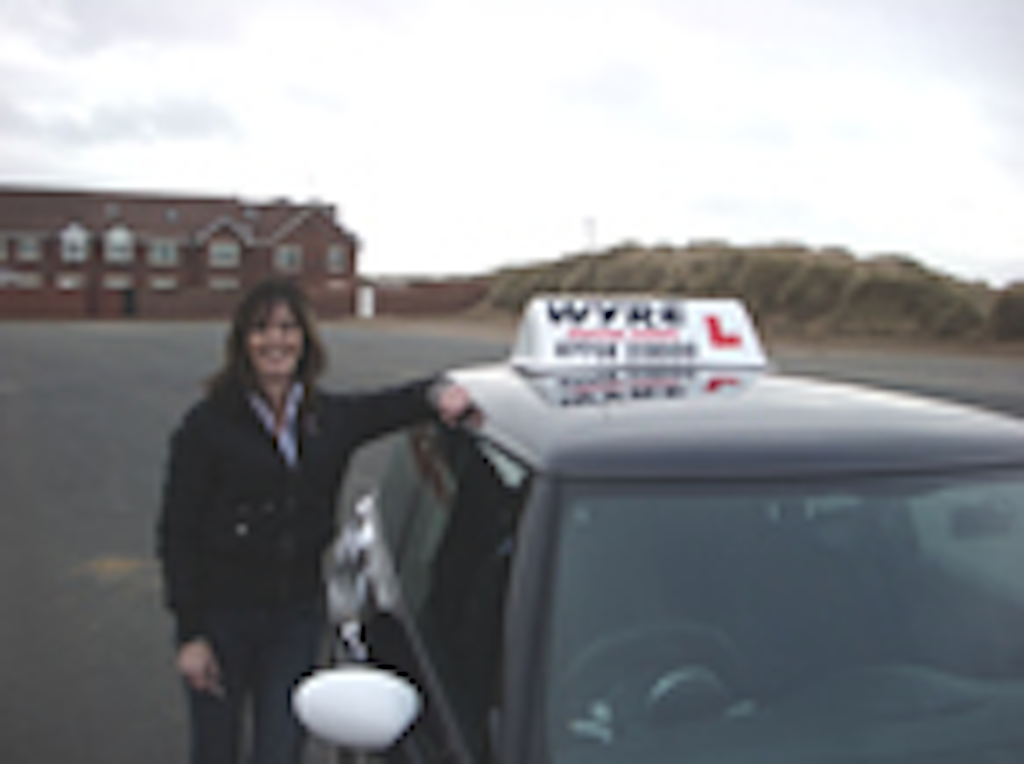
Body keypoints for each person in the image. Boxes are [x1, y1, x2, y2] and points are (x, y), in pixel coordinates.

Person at [156, 278, 474, 764]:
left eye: (288, 328)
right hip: (223, 619)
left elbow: (389, 406)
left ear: (305, 338)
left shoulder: (327, 418)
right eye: (261, 329)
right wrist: (190, 635)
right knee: (215, 749)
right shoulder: (206, 427)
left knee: (281, 749)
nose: (275, 340)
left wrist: (437, 392)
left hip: (294, 619)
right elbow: (177, 533)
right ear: (242, 341)